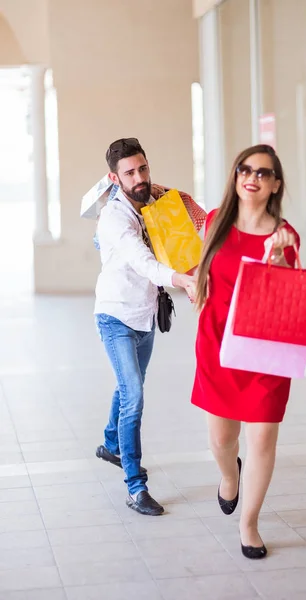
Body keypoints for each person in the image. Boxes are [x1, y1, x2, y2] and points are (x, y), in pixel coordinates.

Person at [192, 144, 300, 558]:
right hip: (217, 344)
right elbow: (203, 269)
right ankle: (228, 477)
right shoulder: (217, 222)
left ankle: (249, 523)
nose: (251, 177)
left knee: (262, 440)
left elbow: (290, 297)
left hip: (265, 352)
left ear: (274, 184)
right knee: (223, 439)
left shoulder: (285, 235)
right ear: (236, 176)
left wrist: (279, 259)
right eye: (245, 169)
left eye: (263, 172)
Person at [95, 137, 197, 516]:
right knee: (134, 396)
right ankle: (136, 488)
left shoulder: (152, 201)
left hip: (146, 315)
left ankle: (110, 443)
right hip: (114, 315)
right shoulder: (115, 217)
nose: (139, 178)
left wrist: (166, 195)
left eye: (143, 169)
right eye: (129, 173)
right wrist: (182, 280)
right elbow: (145, 263)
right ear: (113, 177)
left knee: (129, 387)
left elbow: (180, 231)